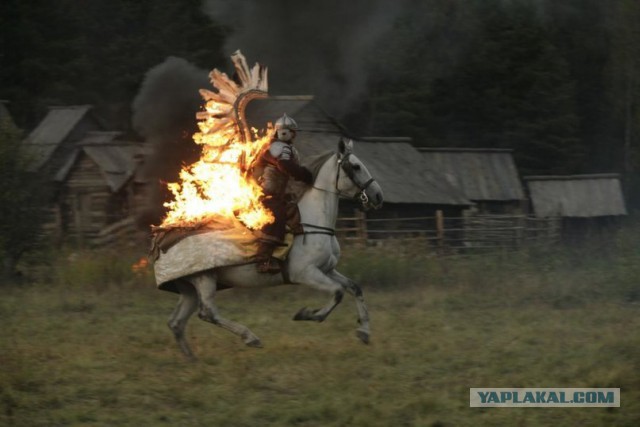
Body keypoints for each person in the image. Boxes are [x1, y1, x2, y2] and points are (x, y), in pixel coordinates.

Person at [253, 113, 313, 273]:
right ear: (286, 132)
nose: (294, 135)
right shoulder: (277, 147)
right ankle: (263, 259)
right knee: (276, 218)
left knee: (296, 215)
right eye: (293, 132)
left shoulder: (286, 148)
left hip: (280, 196)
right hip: (266, 195)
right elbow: (285, 165)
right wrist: (306, 175)